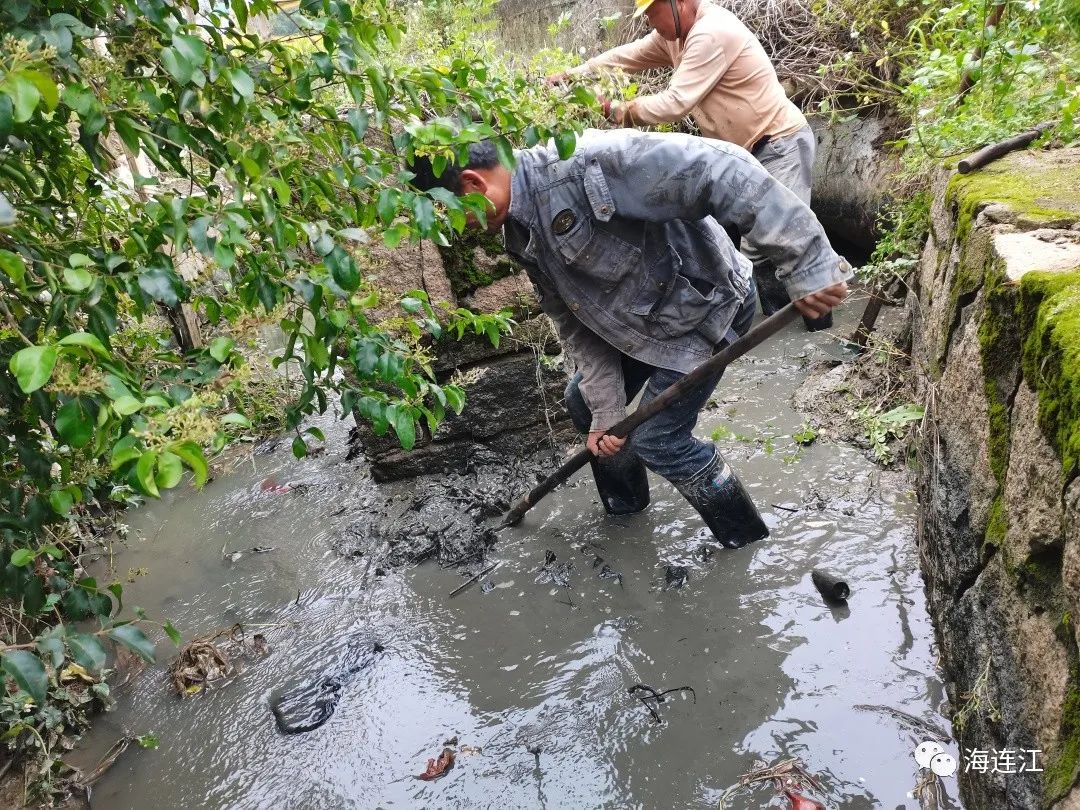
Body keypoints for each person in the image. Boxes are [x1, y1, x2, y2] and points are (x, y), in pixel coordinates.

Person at [410, 128, 849, 549]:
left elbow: (723, 167)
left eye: (451, 214)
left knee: (658, 438)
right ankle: (627, 512)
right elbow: (575, 321)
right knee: (585, 402)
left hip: (708, 310)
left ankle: (745, 538)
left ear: (471, 183)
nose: (460, 229)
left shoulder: (588, 164)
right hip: (643, 327)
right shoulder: (519, 229)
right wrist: (606, 414)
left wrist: (809, 264)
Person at [548, 0, 829, 330]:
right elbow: (625, 57)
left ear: (679, 3)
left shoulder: (710, 33)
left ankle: (817, 337)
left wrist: (614, 109)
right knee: (757, 250)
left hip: (779, 143)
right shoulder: (674, 34)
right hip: (743, 153)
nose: (652, 24)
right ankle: (781, 333)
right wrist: (572, 77)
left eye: (654, 13)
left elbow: (676, 103)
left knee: (785, 240)